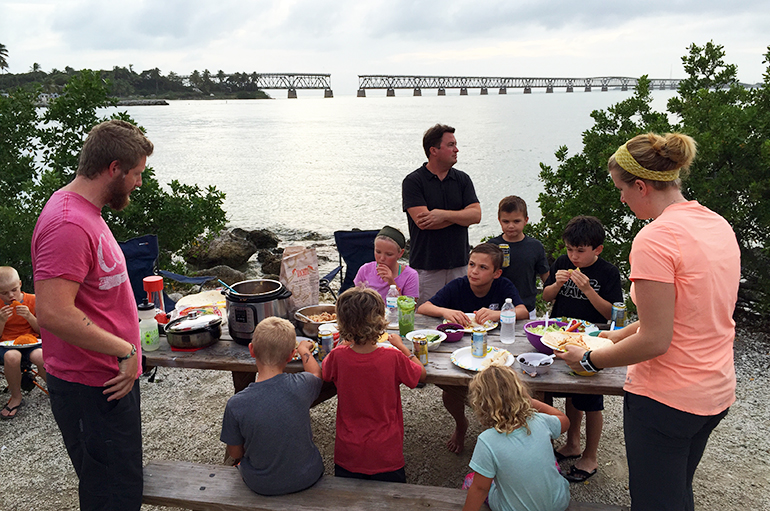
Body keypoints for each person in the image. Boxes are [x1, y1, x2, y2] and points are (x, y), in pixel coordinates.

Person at [557, 133, 740, 511]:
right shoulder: (716, 224)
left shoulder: (655, 238)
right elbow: (688, 312)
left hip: (667, 399)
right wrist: (618, 334)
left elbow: (657, 339)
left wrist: (589, 360)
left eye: (621, 189)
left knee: (656, 502)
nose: (621, 198)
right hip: (715, 389)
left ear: (640, 186)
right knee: (676, 494)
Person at [31, 119, 153, 511]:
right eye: (136, 174)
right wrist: (124, 349)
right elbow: (52, 312)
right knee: (111, 497)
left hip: (106, 382)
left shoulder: (85, 213)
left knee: (120, 486)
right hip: (91, 389)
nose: (138, 183)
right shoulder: (68, 224)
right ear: (113, 168)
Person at [418, 243, 529, 454]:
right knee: (449, 390)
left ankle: (502, 431)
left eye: (482, 267)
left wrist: (497, 314)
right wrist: (446, 311)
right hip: (458, 348)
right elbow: (424, 307)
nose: (474, 271)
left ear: (497, 273)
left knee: (505, 389)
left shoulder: (503, 286)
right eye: (471, 264)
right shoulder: (459, 285)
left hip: (497, 349)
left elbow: (523, 311)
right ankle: (461, 424)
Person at [542, 215, 623, 482]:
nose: (573, 256)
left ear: (597, 249)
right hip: (561, 334)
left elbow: (613, 314)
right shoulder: (564, 263)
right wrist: (557, 283)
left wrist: (588, 290)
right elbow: (545, 296)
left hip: (592, 339)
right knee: (567, 390)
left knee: (590, 398)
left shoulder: (608, 273)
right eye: (569, 249)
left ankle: (590, 456)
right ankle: (573, 443)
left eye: (580, 251)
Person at [322, 287, 426, 482]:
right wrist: (404, 348)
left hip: (348, 451)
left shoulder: (337, 356)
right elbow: (421, 375)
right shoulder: (393, 357)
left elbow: (326, 374)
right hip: (386, 452)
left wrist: (343, 345)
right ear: (379, 320)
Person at [220, 317, 324, 495]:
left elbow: (235, 453)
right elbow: (315, 372)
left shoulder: (235, 404)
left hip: (261, 484)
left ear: (251, 350)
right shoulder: (303, 385)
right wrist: (304, 349)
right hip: (309, 475)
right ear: (291, 355)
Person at [462, 365, 570, 511]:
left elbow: (480, 489)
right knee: (550, 465)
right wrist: (528, 400)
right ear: (521, 392)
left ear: (480, 404)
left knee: (471, 480)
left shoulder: (486, 440)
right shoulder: (540, 420)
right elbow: (564, 420)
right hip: (559, 503)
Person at [402, 124, 481, 305]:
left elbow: (476, 216)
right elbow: (424, 222)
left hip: (460, 265)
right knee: (426, 319)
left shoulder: (462, 179)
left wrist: (443, 215)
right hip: (427, 267)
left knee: (461, 316)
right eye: (451, 145)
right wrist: (461, 217)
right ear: (434, 150)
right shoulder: (413, 181)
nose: (457, 149)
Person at [487, 196, 550, 319]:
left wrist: (552, 295)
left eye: (516, 221)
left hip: (526, 307)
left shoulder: (535, 246)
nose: (511, 226)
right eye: (506, 221)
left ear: (525, 220)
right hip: (496, 307)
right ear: (499, 220)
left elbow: (545, 276)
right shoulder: (492, 245)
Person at [0, 266, 45, 419]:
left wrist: (30, 317)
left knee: (40, 356)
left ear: (20, 284)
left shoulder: (32, 300)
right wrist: (1, 321)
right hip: (6, 344)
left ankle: (55, 390)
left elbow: (41, 331)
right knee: (12, 357)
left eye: (13, 290)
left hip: (31, 341)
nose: (10, 296)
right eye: (3, 293)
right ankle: (16, 396)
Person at [353, 225, 419, 301]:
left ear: (400, 253)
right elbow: (356, 300)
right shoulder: (365, 270)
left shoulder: (410, 275)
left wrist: (391, 282)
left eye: (389, 254)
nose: (382, 258)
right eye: (378, 252)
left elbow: (410, 308)